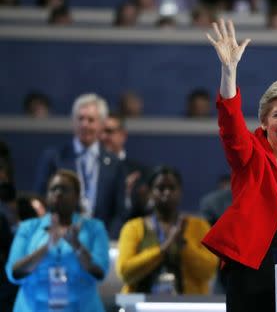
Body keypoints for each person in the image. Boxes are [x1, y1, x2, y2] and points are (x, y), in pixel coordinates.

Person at [201, 19, 277, 312]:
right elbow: (230, 127)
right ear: (265, 122)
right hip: (252, 277)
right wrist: (228, 71)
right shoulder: (251, 157)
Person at [6, 170, 109, 312]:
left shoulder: (94, 228)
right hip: (32, 307)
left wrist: (76, 245)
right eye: (53, 189)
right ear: (47, 195)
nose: (58, 193)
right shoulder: (28, 227)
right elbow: (14, 272)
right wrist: (46, 247)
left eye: (64, 189)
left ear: (77, 195)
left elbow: (100, 272)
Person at [34, 93, 126, 239]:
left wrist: (106, 238)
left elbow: (119, 211)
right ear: (73, 122)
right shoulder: (54, 158)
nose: (84, 124)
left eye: (91, 120)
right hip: (60, 238)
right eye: (80, 118)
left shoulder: (115, 163)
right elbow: (41, 200)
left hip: (102, 240)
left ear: (102, 124)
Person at [116, 166, 218, 294]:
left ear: (180, 191)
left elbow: (209, 271)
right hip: (142, 305)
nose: (167, 193)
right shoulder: (132, 228)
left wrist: (184, 245)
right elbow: (125, 272)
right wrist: (163, 249)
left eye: (172, 188)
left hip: (188, 305)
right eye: (160, 188)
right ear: (150, 192)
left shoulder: (199, 226)